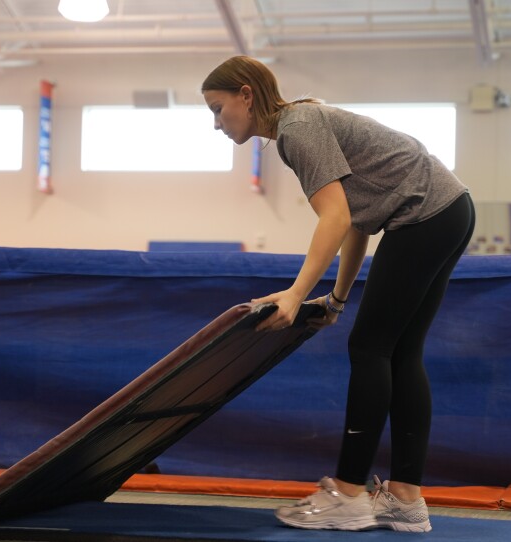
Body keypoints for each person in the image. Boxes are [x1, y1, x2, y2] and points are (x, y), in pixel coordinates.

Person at [201, 56, 475, 533]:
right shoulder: (306, 123)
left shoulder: (296, 129)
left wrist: (295, 294)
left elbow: (336, 218)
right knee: (401, 352)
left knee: (370, 348)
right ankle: (406, 499)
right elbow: (356, 222)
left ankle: (349, 494)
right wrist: (336, 299)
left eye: (218, 109)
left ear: (246, 95)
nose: (217, 124)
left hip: (425, 215)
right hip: (450, 209)